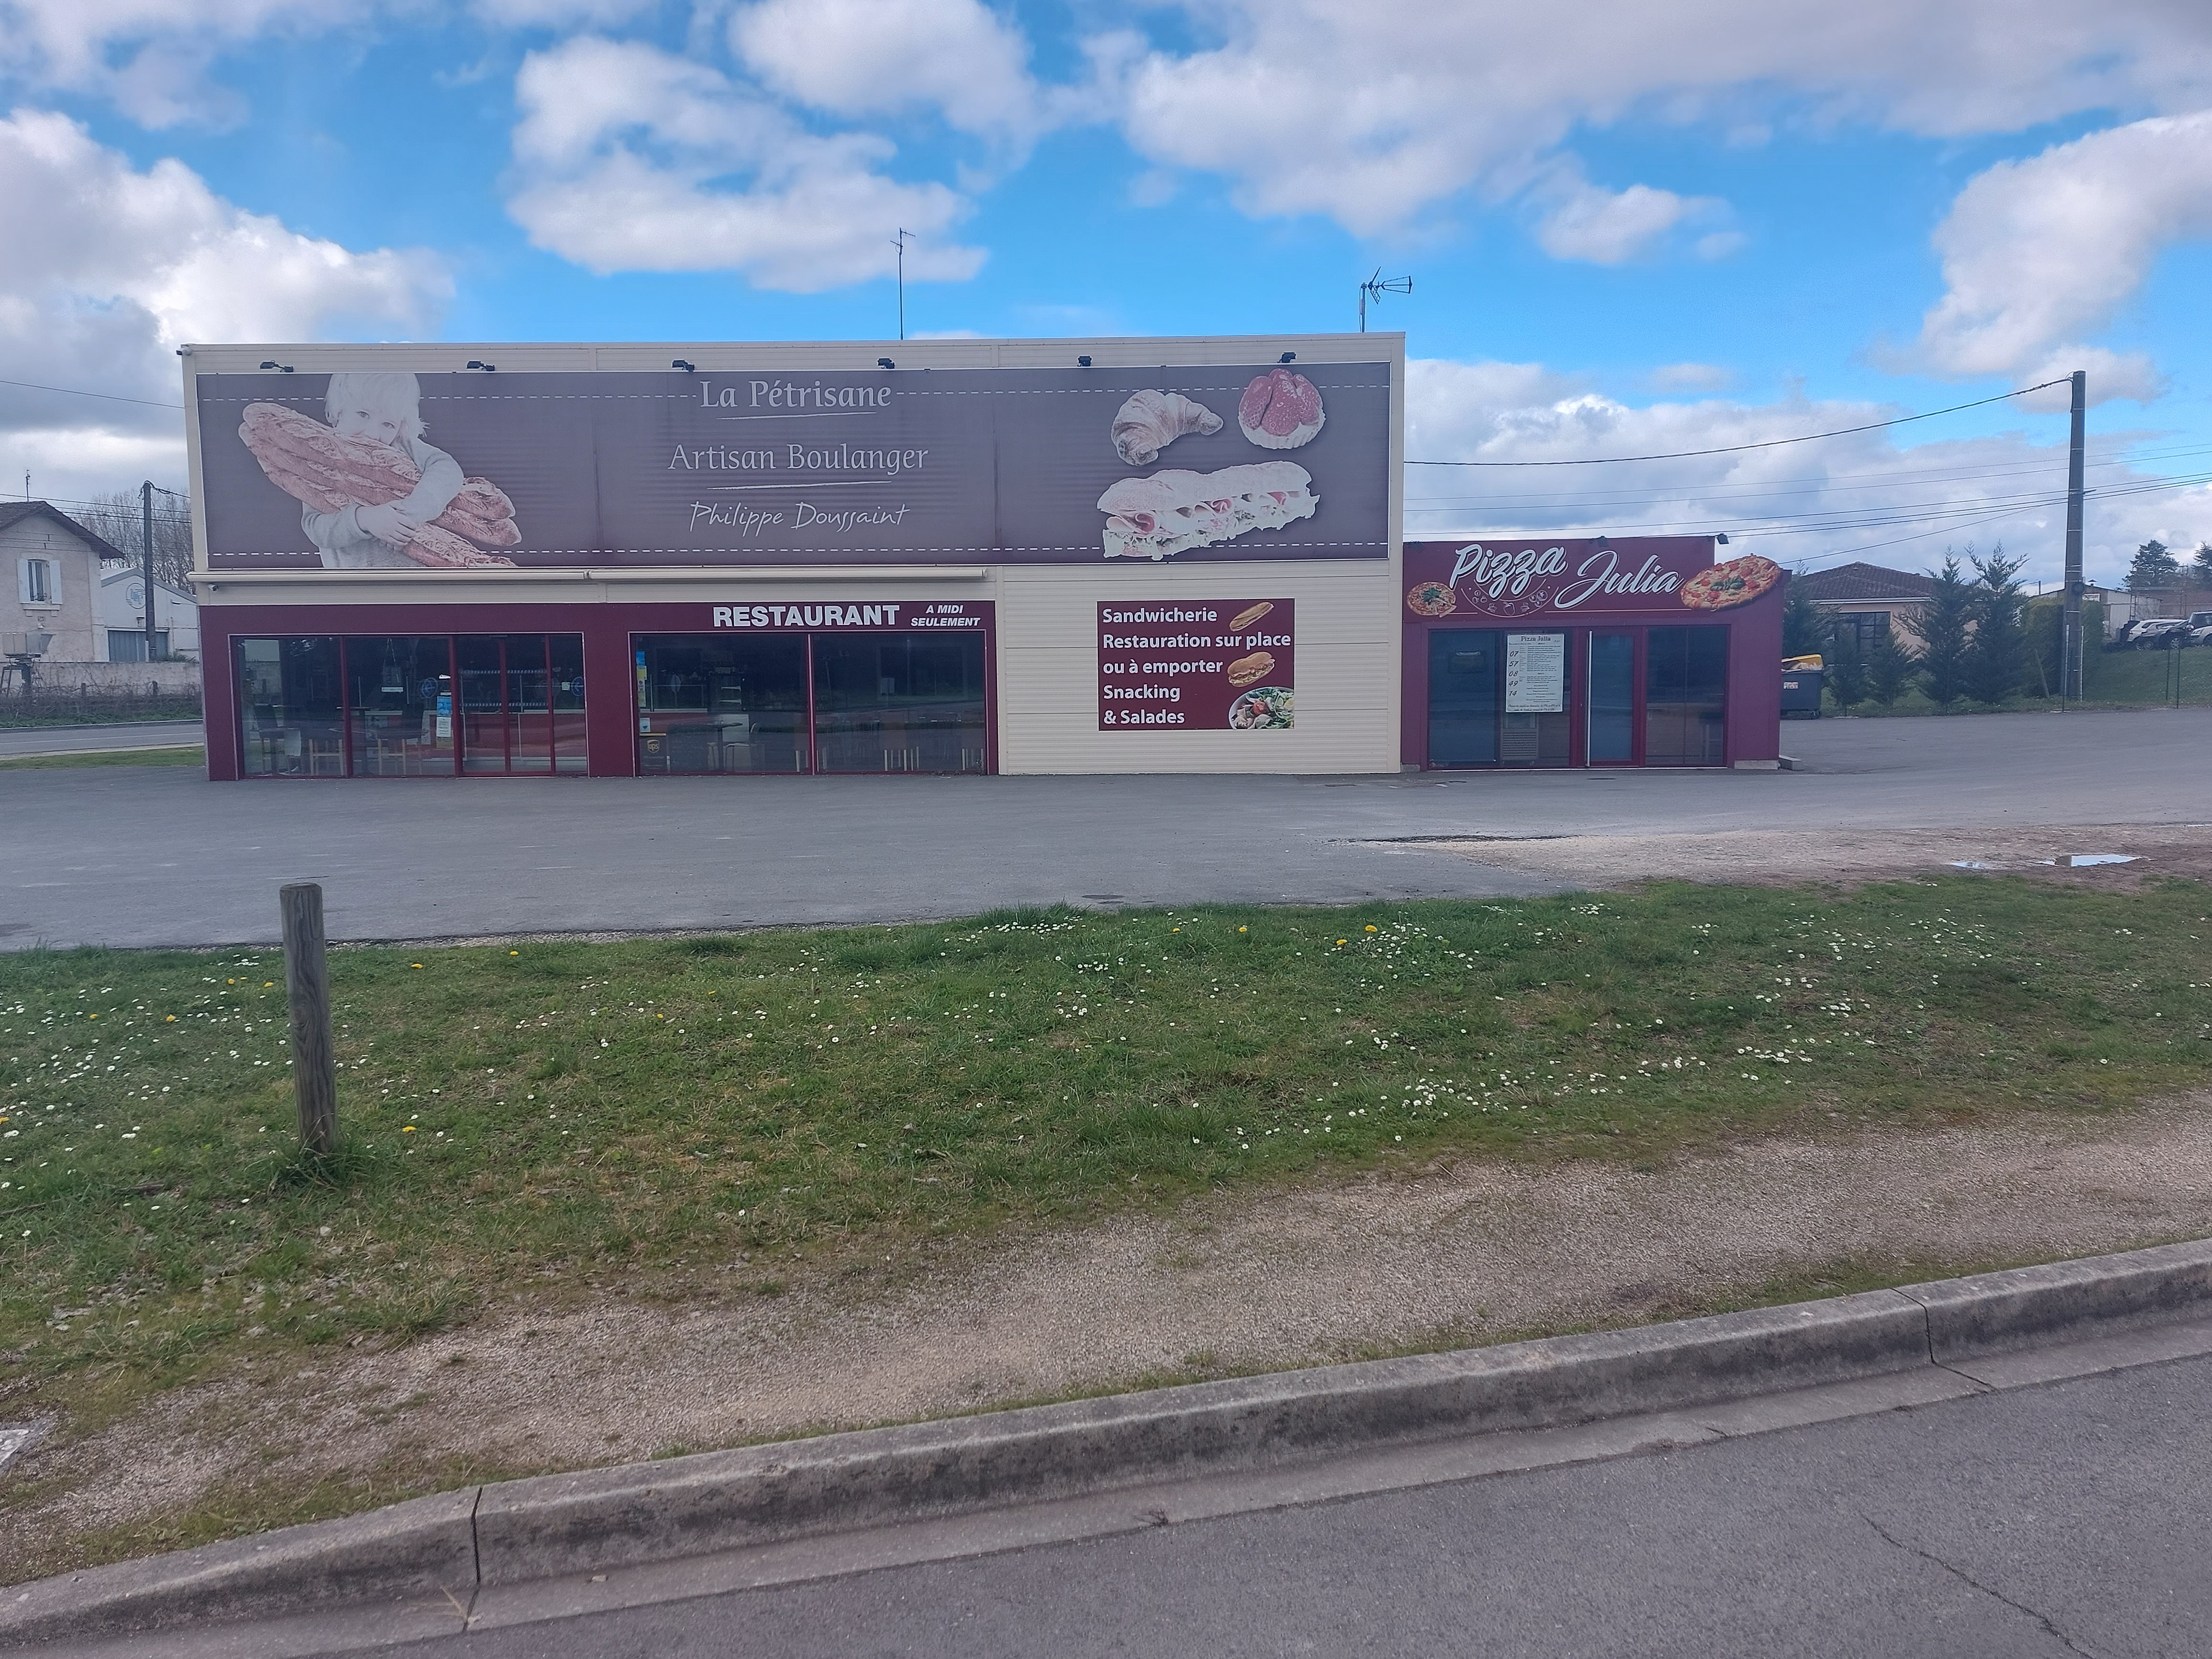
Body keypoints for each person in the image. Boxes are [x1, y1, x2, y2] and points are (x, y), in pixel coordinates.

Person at [303, 373, 465, 569]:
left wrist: (409, 514)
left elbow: (447, 469)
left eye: (388, 424)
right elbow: (316, 527)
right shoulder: (320, 459)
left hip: (417, 582)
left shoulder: (402, 446)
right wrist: (365, 519)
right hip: (354, 587)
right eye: (363, 414)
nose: (373, 434)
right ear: (339, 413)